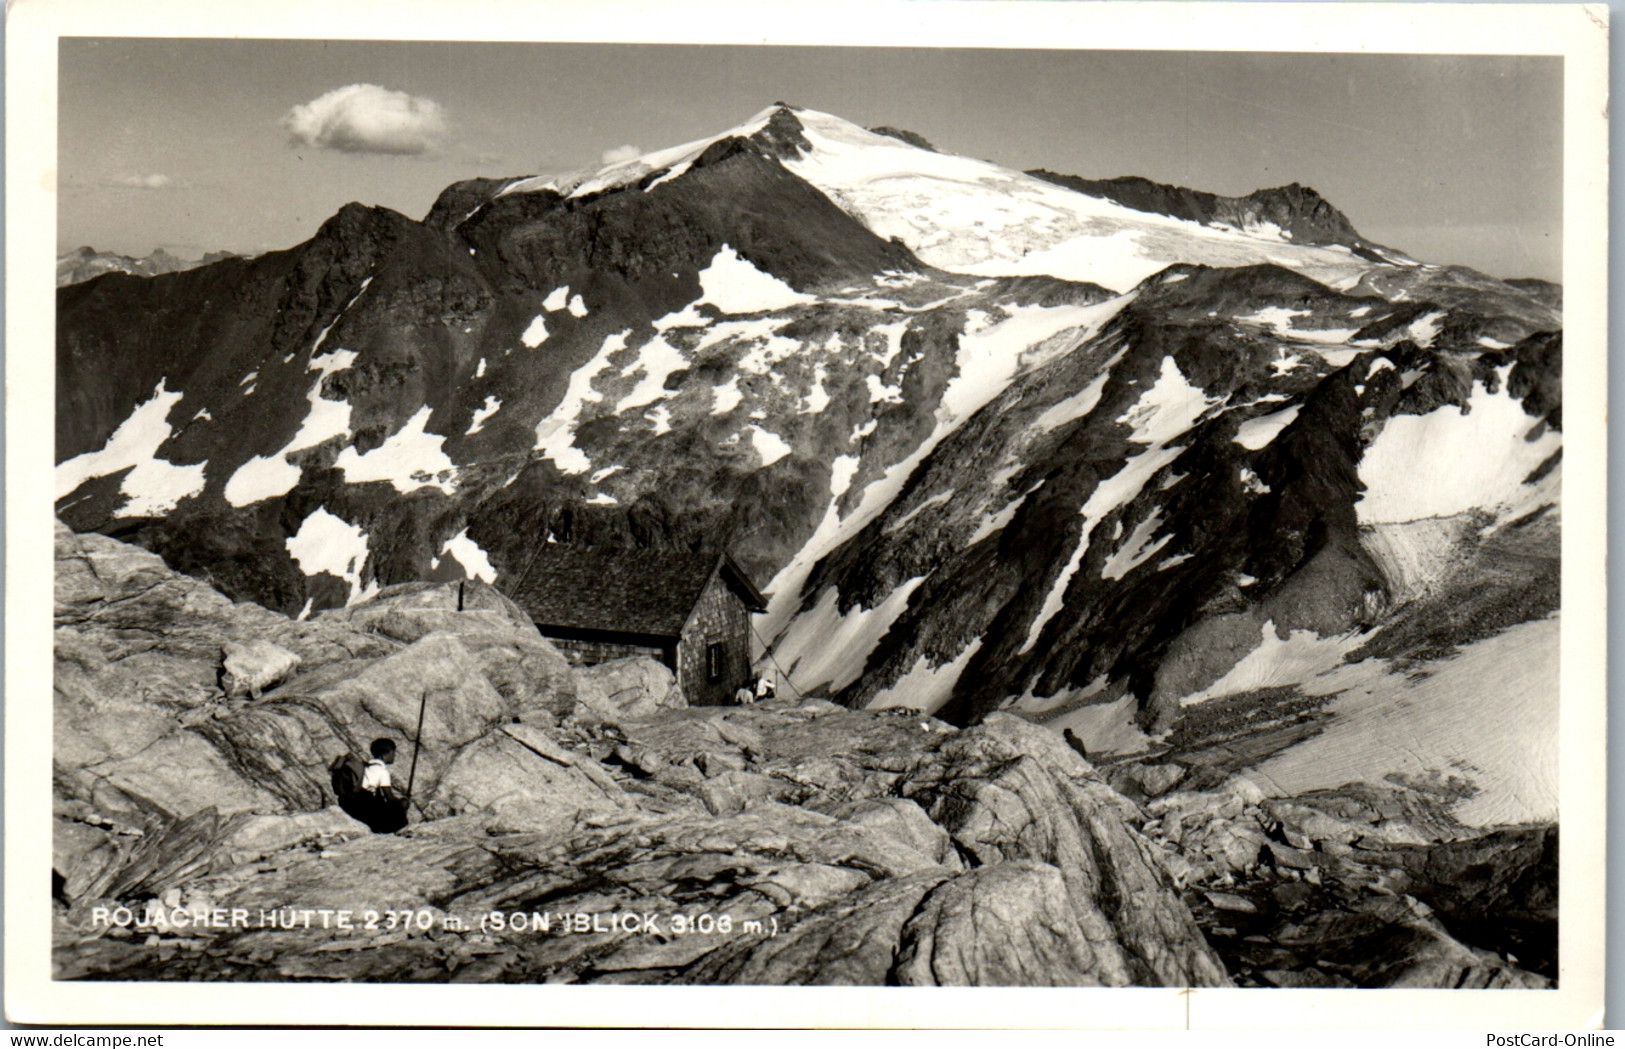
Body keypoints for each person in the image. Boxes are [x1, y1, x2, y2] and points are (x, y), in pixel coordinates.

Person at [347, 737, 408, 834]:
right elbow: (389, 797)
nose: (394, 756)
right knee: (399, 806)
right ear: (384, 755)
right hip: (369, 809)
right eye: (392, 753)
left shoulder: (365, 767)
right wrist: (402, 802)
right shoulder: (382, 771)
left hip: (355, 806)